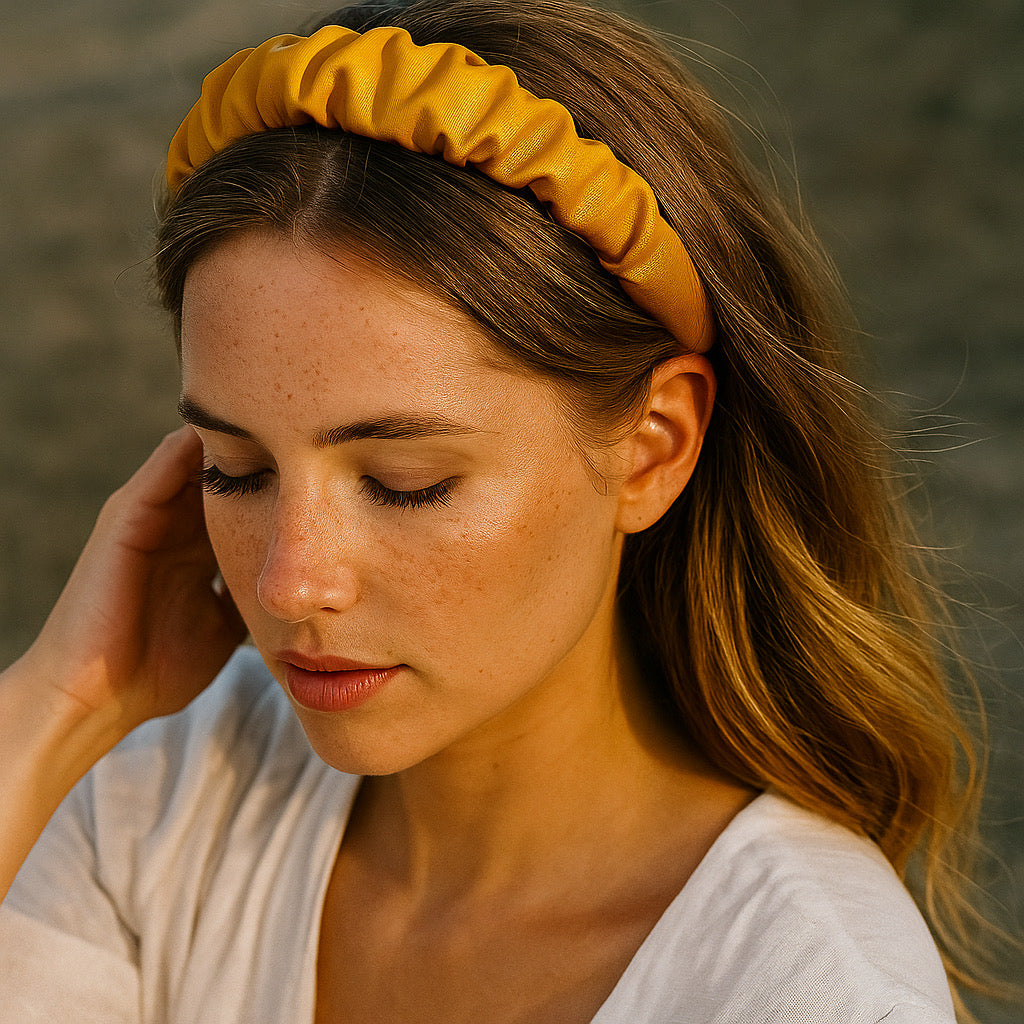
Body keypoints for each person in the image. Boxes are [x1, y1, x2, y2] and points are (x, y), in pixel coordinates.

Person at [0, 0, 1011, 1020]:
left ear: (652, 446)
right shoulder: (158, 796)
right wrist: (54, 706)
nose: (289, 580)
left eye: (407, 481)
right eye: (235, 469)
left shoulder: (805, 990)